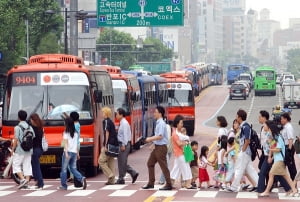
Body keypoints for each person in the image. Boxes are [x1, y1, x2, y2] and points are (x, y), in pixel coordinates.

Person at [259, 120, 297, 197]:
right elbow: (273, 147)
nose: (268, 131)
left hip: (279, 160)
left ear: (272, 130)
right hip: (277, 160)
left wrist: (270, 150)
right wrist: (271, 156)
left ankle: (266, 191)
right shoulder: (274, 138)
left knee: (271, 174)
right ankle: (293, 189)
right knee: (286, 176)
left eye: (269, 129)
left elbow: (278, 149)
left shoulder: (278, 137)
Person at [226, 109, 258, 192]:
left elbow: (247, 140)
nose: (236, 118)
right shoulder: (244, 126)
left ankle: (234, 187)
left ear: (239, 117)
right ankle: (259, 184)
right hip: (247, 152)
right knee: (249, 170)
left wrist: (242, 151)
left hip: (245, 151)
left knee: (239, 169)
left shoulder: (245, 127)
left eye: (236, 116)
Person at [142, 106, 172, 190]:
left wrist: (149, 139)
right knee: (150, 163)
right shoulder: (159, 122)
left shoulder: (161, 123)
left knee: (163, 166)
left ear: (160, 113)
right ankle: (151, 183)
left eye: (155, 112)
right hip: (157, 147)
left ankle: (169, 184)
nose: (154, 113)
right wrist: (153, 144)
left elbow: (160, 136)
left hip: (161, 148)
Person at [58, 117, 86, 190]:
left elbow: (65, 143)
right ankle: (81, 178)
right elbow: (76, 144)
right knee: (73, 168)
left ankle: (64, 185)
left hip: (67, 152)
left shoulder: (65, 133)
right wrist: (77, 154)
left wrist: (66, 153)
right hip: (74, 152)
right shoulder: (76, 133)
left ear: (66, 124)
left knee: (64, 169)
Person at [12, 110, 35, 189]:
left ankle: (22, 179)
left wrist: (13, 149)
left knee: (16, 165)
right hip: (29, 149)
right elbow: (33, 137)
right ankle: (26, 182)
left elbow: (16, 139)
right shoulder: (30, 127)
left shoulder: (17, 127)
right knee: (27, 165)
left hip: (20, 149)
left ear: (18, 117)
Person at [169, 115, 194, 189]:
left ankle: (170, 182)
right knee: (186, 168)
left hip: (180, 154)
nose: (182, 125)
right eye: (181, 123)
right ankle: (188, 184)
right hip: (180, 154)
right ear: (177, 124)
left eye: (182, 123)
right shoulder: (175, 134)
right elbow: (179, 144)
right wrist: (186, 142)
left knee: (176, 168)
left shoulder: (179, 133)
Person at [115, 108, 139, 184]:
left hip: (124, 144)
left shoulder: (124, 123)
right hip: (123, 143)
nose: (116, 115)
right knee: (122, 162)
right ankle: (133, 173)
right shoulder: (122, 123)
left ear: (121, 115)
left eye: (117, 114)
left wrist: (123, 144)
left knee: (122, 162)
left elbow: (125, 135)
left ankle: (122, 178)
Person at [98, 107, 118, 185]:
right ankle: (112, 181)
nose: (102, 114)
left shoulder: (105, 122)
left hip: (109, 144)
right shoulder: (111, 122)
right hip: (114, 144)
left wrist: (105, 145)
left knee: (101, 161)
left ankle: (110, 174)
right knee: (111, 161)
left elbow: (107, 133)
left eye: (103, 112)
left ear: (105, 113)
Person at [280, 112, 297, 180]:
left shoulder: (288, 127)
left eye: (282, 119)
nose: (280, 120)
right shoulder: (285, 127)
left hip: (288, 147)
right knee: (284, 165)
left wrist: (289, 150)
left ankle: (294, 182)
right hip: (285, 147)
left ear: (285, 119)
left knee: (291, 166)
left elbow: (290, 139)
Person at [30, 113, 44, 189]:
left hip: (34, 149)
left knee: (36, 166)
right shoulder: (40, 127)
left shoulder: (32, 128)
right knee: (35, 165)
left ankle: (40, 183)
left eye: (31, 120)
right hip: (40, 148)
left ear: (33, 120)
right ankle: (38, 181)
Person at [67, 111, 81, 183]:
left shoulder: (73, 126)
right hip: (76, 145)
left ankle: (75, 177)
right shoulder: (77, 124)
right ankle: (72, 176)